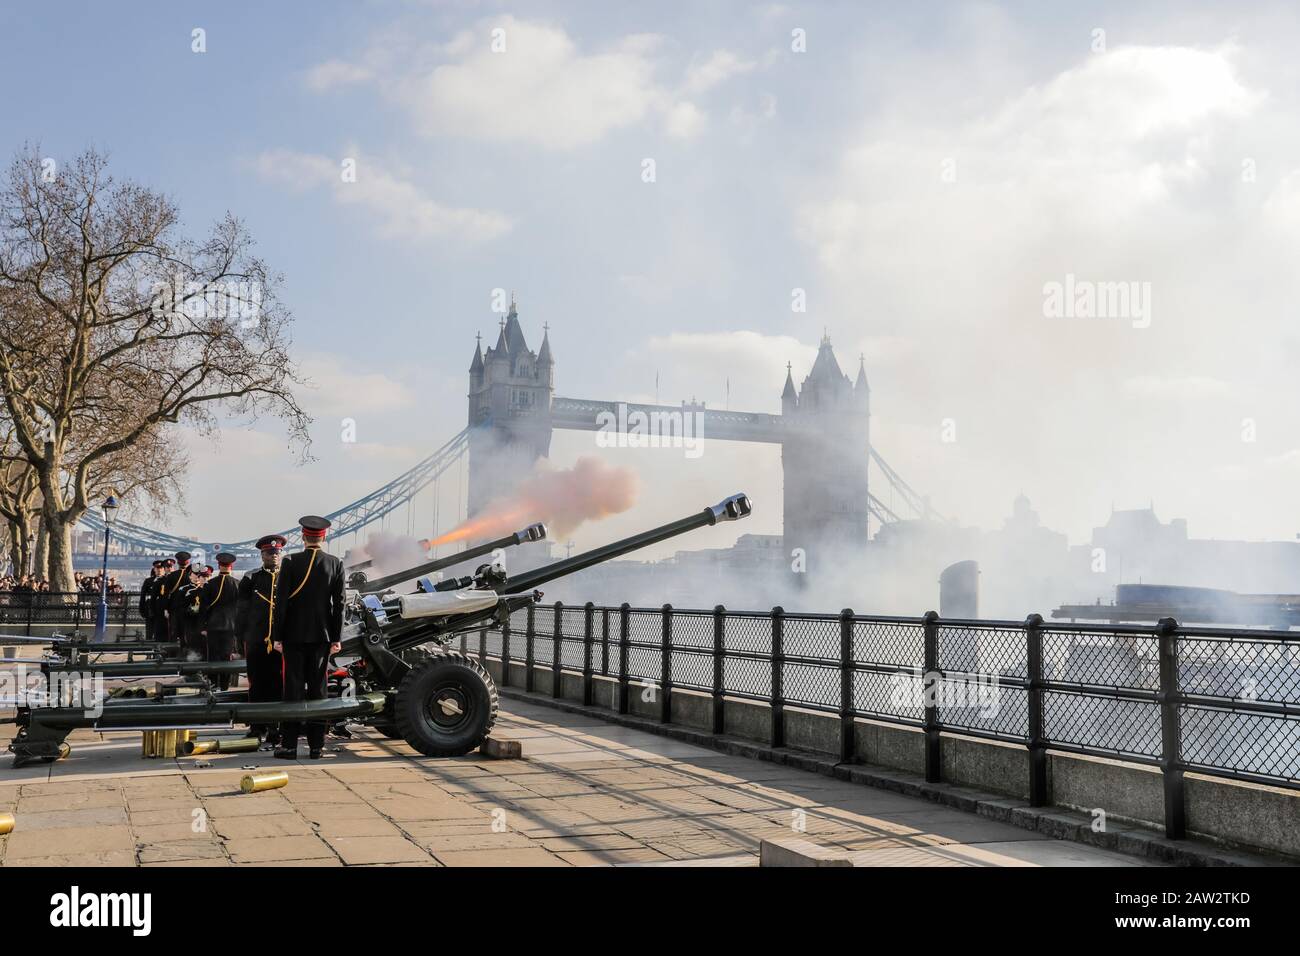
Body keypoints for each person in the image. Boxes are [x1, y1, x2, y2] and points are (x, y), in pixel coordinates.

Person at [272, 516, 344, 760]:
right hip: (322, 636)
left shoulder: (290, 561)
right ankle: (316, 746)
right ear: (323, 537)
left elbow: (280, 603)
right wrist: (336, 637)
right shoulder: (335, 563)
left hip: (292, 635)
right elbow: (339, 605)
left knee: (292, 689)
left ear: (303, 537)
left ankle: (290, 745)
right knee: (318, 689)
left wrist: (276, 636)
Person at [237, 534, 286, 747]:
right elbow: (241, 611)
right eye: (269, 553)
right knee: (256, 683)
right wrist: (240, 640)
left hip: (281, 640)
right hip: (256, 638)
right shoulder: (251, 577)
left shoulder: (287, 575)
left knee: (278, 683)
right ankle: (256, 726)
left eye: (276, 553)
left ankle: (276, 727)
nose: (273, 556)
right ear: (262, 555)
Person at [199, 552, 240, 690]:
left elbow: (203, 608)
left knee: (213, 658)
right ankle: (224, 686)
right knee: (227, 658)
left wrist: (203, 626)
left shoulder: (210, 584)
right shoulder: (237, 584)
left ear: (218, 566)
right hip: (231, 627)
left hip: (213, 626)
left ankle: (213, 685)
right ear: (231, 566)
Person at [160, 552, 194, 644]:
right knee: (185, 633)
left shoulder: (171, 576)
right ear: (188, 562)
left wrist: (165, 608)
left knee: (173, 633)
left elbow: (165, 594)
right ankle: (186, 653)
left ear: (178, 563)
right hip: (188, 608)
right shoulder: (191, 576)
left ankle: (172, 654)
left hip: (174, 608)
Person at [138, 561, 163, 641]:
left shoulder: (167, 580)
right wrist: (142, 610)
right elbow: (143, 596)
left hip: (162, 610)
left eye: (161, 568)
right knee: (149, 632)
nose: (159, 570)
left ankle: (158, 652)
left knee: (160, 633)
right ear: (154, 569)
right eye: (157, 568)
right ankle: (149, 651)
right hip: (150, 610)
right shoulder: (148, 581)